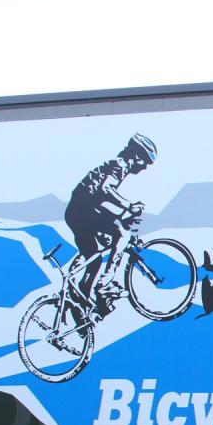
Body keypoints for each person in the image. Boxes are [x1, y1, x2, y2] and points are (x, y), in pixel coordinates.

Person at [64, 133, 157, 318]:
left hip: (77, 211)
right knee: (122, 234)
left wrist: (121, 213)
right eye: (145, 162)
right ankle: (105, 283)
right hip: (83, 211)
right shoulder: (120, 165)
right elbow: (105, 189)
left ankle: (81, 302)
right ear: (137, 156)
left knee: (95, 259)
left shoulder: (115, 165)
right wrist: (128, 206)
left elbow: (99, 196)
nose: (145, 168)